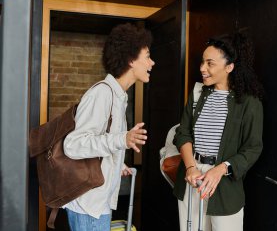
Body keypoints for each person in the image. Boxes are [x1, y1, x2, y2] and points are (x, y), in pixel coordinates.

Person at [62, 23, 155, 231]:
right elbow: (73, 144)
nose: (152, 62)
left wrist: (115, 163)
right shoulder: (102, 94)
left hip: (97, 203)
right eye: (147, 56)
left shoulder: (118, 97)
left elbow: (99, 141)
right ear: (131, 60)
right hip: (88, 206)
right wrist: (122, 140)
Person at [173, 32, 264, 231]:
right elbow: (183, 133)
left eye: (210, 63)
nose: (202, 68)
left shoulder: (249, 103)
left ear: (229, 67)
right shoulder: (198, 93)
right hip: (192, 177)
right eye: (202, 62)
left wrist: (220, 169)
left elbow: (252, 148)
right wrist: (190, 168)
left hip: (225, 185)